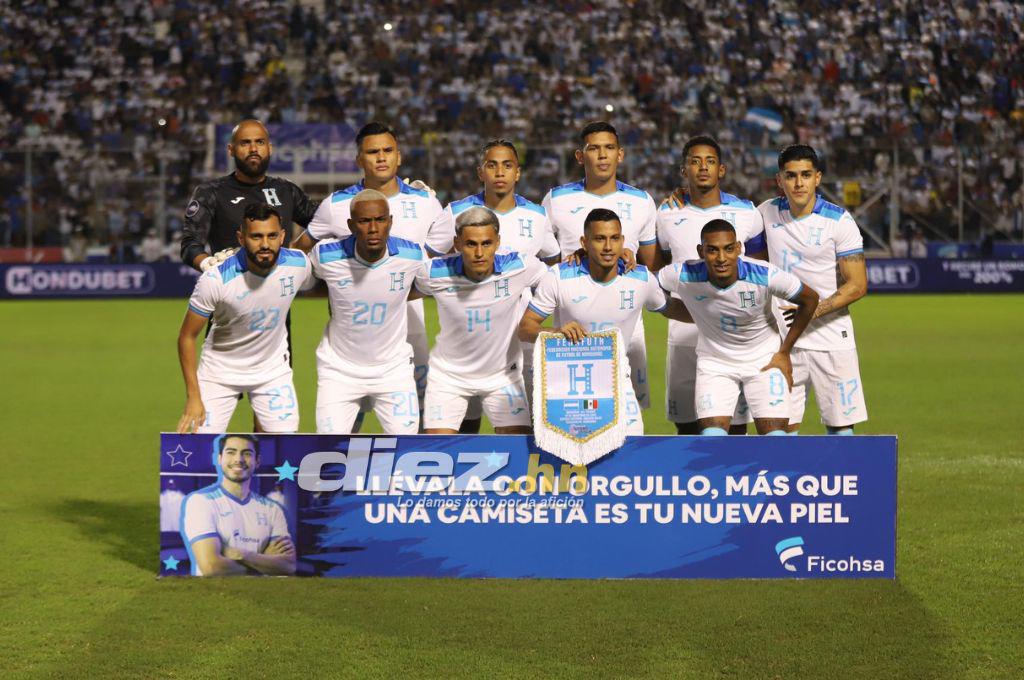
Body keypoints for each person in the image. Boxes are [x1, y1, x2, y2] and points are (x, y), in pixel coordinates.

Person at [295, 121, 444, 409]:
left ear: (398, 156)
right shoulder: (335, 205)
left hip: (410, 330)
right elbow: (300, 252)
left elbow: (440, 263)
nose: (381, 157)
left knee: (421, 414)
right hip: (351, 338)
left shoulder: (426, 202)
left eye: (388, 150)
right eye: (373, 151)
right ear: (359, 160)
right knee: (350, 419)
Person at [425, 138, 561, 432]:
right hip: (469, 341)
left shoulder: (537, 216)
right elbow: (428, 264)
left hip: (521, 339)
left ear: (518, 173)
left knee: (529, 426)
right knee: (464, 427)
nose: (500, 172)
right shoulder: (454, 213)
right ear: (480, 172)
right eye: (492, 165)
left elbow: (552, 264)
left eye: (507, 165)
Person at [519, 208, 692, 434]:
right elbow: (525, 328)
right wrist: (556, 332)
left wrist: (708, 316)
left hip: (617, 382)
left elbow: (669, 307)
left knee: (631, 450)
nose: (608, 247)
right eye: (600, 239)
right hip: (568, 387)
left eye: (614, 238)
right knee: (569, 458)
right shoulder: (559, 277)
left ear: (622, 241)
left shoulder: (640, 279)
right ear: (584, 242)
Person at [657, 219, 820, 435]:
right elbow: (648, 287)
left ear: (739, 249)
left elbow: (810, 299)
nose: (721, 258)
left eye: (728, 249)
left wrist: (784, 352)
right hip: (715, 363)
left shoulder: (764, 275)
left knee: (776, 438)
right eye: (712, 250)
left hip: (765, 359)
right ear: (700, 251)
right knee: (712, 438)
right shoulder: (682, 273)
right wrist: (688, 312)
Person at [541, 121, 659, 410]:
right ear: (581, 157)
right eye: (594, 148)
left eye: (609, 148)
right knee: (573, 409)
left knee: (630, 414)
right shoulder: (556, 199)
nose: (602, 155)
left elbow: (652, 264)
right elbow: (545, 260)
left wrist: (631, 256)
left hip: (627, 325)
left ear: (620, 155)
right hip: (573, 323)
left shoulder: (642, 201)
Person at [656, 135, 768, 434]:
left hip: (733, 338)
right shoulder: (666, 213)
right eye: (694, 161)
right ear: (684, 171)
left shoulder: (747, 212)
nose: (702, 167)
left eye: (710, 161)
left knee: (734, 425)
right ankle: (696, 482)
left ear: (722, 170)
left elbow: (759, 270)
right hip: (684, 332)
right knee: (687, 425)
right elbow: (661, 272)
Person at [760, 144, 869, 435]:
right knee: (779, 431)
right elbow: (721, 223)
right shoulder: (765, 213)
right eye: (791, 175)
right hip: (782, 342)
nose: (798, 183)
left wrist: (811, 311)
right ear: (779, 180)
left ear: (817, 178)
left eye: (805, 175)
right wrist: (684, 195)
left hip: (831, 338)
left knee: (841, 431)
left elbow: (857, 285)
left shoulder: (839, 221)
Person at [176, 204, 313, 434]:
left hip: (272, 373)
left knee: (285, 450)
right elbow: (187, 337)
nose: (265, 244)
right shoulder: (216, 279)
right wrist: (193, 397)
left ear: (282, 237)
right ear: (241, 238)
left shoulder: (299, 264)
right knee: (200, 451)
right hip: (219, 374)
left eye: (271, 236)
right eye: (256, 237)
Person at [412, 206, 548, 434]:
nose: (479, 253)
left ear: (497, 242)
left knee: (518, 451)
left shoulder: (520, 267)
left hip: (502, 377)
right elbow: (397, 294)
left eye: (486, 243)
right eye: (470, 244)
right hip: (448, 378)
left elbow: (558, 282)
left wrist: (582, 258)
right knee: (436, 451)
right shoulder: (433, 273)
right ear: (457, 244)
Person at [309, 189, 424, 434]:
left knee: (405, 447)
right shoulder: (325, 256)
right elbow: (295, 270)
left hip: (393, 371)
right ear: (351, 225)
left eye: (380, 220)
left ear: (390, 222)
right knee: (329, 451)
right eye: (364, 221)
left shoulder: (412, 255)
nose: (373, 228)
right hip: (339, 371)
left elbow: (436, 280)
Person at [180, 119, 318, 273]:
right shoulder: (211, 192)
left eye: (259, 142)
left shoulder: (287, 190)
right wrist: (209, 265)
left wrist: (297, 248)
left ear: (269, 148)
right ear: (231, 149)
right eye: (245, 143)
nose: (253, 149)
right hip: (230, 290)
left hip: (279, 291)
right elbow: (190, 244)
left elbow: (323, 223)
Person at [179, 434, 296, 577]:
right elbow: (211, 567)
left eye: (247, 453)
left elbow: (288, 566)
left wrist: (243, 555)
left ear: (257, 461)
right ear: (219, 459)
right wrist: (263, 562)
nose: (238, 459)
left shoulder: (272, 509)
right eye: (231, 452)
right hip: (215, 594)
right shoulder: (201, 501)